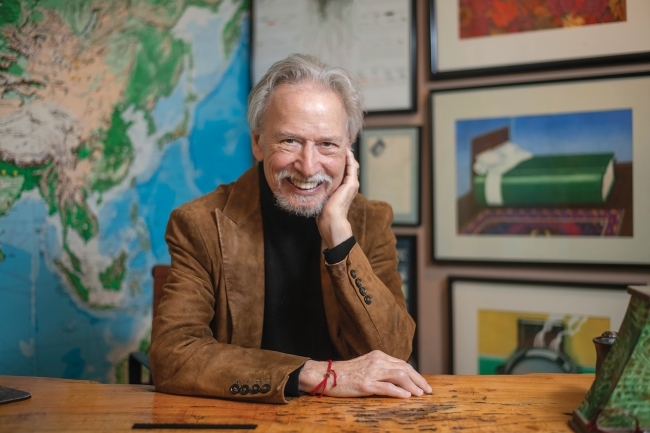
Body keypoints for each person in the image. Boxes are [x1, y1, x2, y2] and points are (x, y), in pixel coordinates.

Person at [150, 54, 432, 404]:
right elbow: (173, 355)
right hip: (247, 416)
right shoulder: (200, 223)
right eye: (289, 141)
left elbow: (394, 350)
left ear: (349, 148)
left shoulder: (370, 220)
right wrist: (317, 374)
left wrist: (339, 238)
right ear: (257, 143)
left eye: (327, 144)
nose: (308, 166)